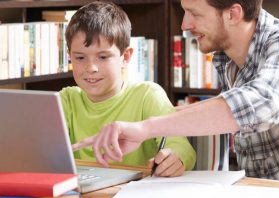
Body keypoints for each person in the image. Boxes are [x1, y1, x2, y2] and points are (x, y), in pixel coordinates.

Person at [73, 0, 279, 182]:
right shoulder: (227, 58)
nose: (184, 25)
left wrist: (147, 128)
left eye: (195, 13)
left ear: (233, 14)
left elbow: (264, 103)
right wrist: (150, 127)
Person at [60, 1, 196, 177]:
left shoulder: (147, 95)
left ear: (125, 57)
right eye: (80, 57)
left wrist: (175, 157)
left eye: (102, 57)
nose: (91, 67)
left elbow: (182, 147)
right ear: (69, 56)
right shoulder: (66, 100)